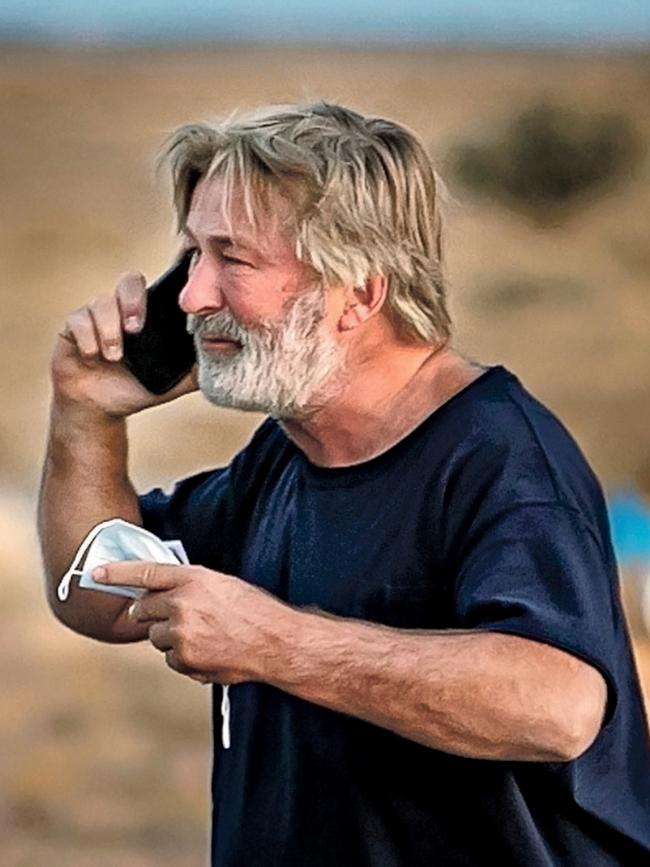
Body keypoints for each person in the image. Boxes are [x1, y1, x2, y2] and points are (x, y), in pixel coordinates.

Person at [39, 101, 650, 866]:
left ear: (359, 293)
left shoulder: (502, 460)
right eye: (192, 255)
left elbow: (558, 704)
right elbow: (93, 591)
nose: (192, 296)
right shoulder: (285, 455)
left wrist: (273, 641)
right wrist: (85, 413)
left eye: (233, 258)